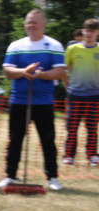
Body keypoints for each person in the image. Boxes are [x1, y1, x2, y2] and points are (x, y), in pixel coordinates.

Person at [0, 9, 65, 191]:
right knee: (15, 139)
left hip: (44, 102)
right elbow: (8, 71)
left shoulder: (54, 45)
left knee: (48, 140)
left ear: (44, 24)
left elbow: (60, 71)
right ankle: (10, 175)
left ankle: (52, 177)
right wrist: (24, 72)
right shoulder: (16, 45)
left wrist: (40, 75)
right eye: (28, 22)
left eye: (35, 22)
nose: (31, 26)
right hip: (19, 100)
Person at [63, 18, 99, 167]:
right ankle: (69, 156)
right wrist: (67, 87)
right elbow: (64, 70)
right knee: (72, 127)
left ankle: (92, 156)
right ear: (82, 31)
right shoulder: (73, 49)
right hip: (75, 94)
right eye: (86, 30)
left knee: (92, 127)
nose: (88, 33)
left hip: (95, 95)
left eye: (92, 31)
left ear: (97, 32)